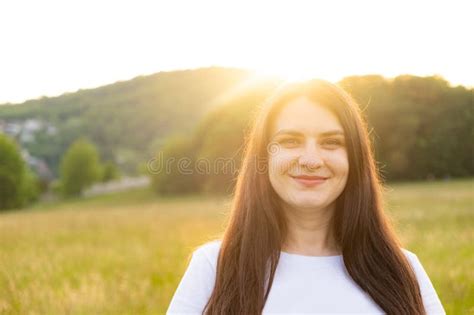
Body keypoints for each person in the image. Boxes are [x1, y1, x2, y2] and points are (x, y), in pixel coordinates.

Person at [167, 80, 445, 314]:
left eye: (332, 142)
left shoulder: (402, 269)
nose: (311, 159)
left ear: (355, 160)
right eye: (290, 141)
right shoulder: (213, 267)